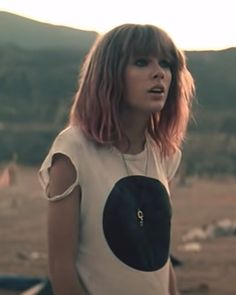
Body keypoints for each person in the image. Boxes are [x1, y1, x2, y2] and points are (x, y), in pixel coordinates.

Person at [39, 23, 195, 295]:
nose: (159, 73)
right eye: (141, 62)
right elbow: (61, 267)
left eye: (166, 64)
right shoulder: (74, 150)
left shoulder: (162, 153)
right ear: (109, 74)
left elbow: (159, 255)